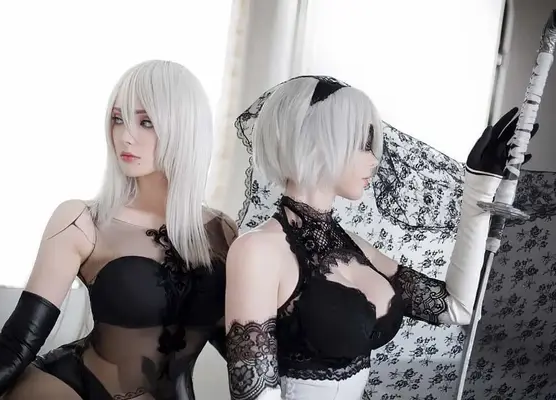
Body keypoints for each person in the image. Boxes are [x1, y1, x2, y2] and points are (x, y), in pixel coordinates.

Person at [224, 75, 539, 400]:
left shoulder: (353, 247)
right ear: (317, 142)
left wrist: (479, 189)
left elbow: (458, 308)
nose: (374, 161)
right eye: (363, 144)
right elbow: (253, 394)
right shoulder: (257, 251)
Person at [0, 60, 237, 400]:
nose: (125, 136)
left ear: (185, 128)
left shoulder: (222, 233)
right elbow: (16, 343)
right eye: (118, 119)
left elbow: (243, 352)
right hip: (69, 389)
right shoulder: (82, 222)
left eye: (146, 122)